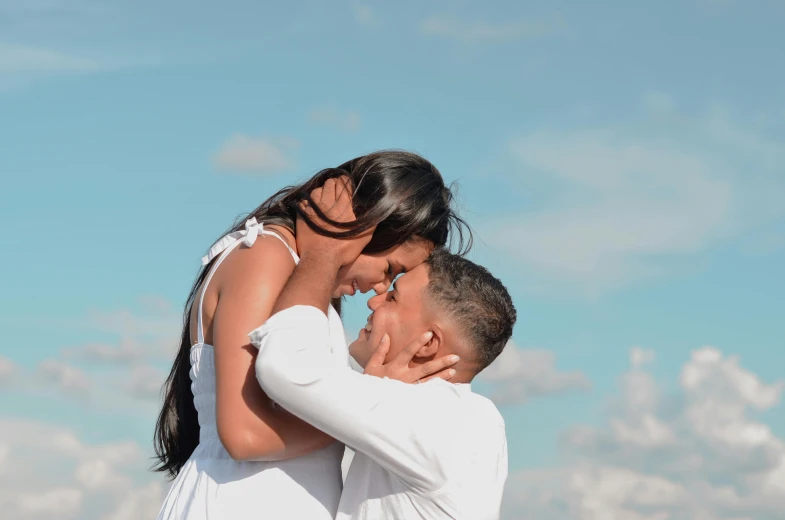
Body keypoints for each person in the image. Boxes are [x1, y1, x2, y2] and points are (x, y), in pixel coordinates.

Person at [153, 151, 469, 520]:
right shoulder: (265, 256)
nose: (378, 288)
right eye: (389, 269)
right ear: (367, 224)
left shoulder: (302, 275)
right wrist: (367, 410)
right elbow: (245, 435)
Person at [251, 181, 515, 519]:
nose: (374, 299)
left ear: (429, 343)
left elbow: (284, 368)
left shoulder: (435, 418)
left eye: (393, 297)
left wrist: (323, 254)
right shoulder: (472, 419)